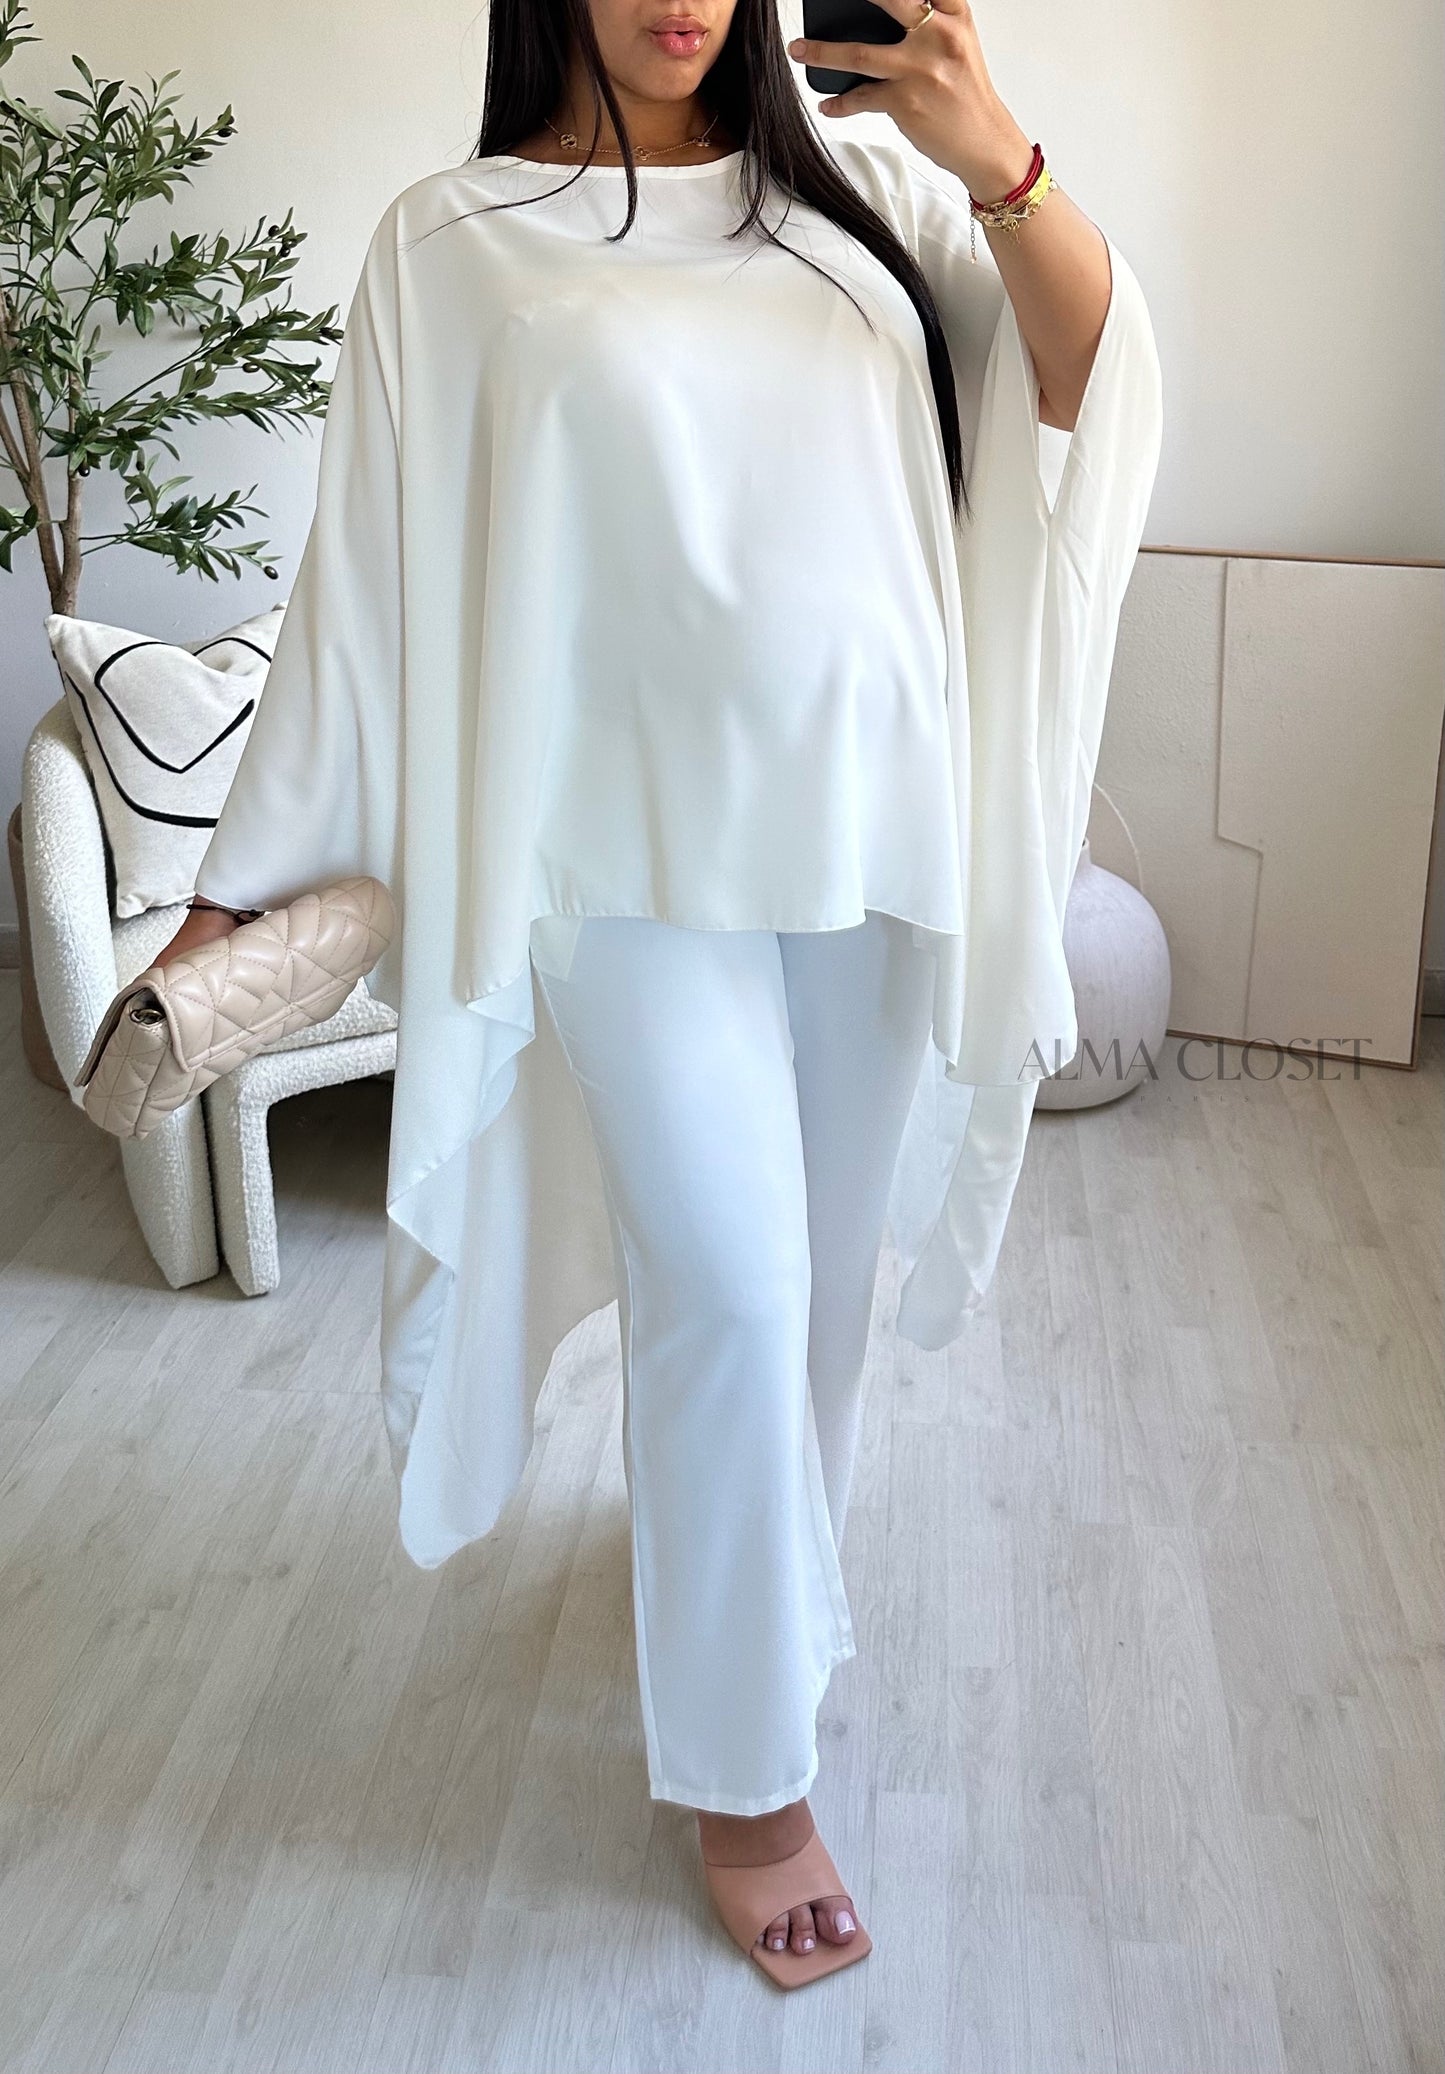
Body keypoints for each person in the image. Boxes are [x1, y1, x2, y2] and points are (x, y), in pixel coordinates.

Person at [163, 0, 1162, 1988]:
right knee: (734, 1278)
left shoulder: (870, 198)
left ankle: (756, 1593)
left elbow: (1088, 382)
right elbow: (361, 587)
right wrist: (234, 888)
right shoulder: (452, 238)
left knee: (823, 1291)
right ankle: (748, 1782)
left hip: (873, 831)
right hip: (615, 867)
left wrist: (995, 151)